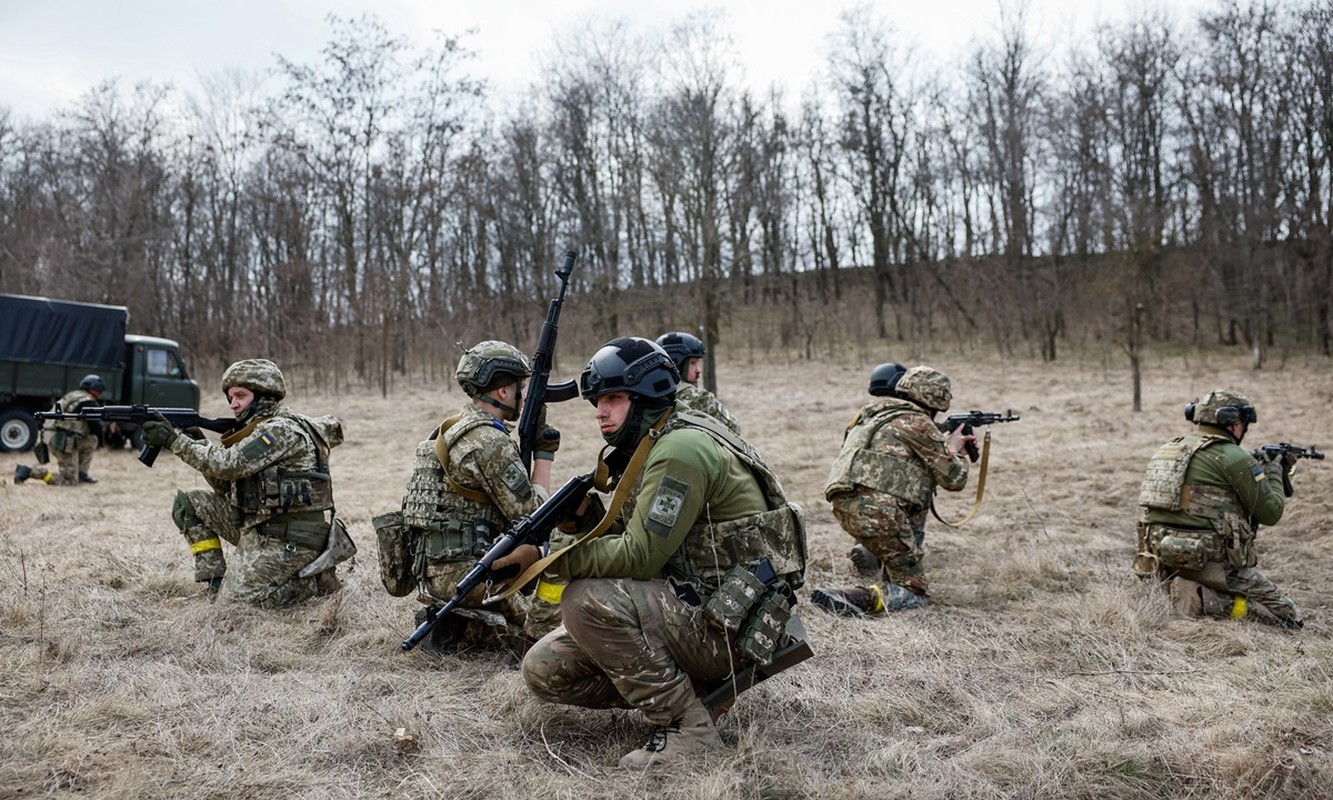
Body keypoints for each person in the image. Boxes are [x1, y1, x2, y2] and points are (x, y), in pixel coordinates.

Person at [515, 336, 807, 769]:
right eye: (597, 400)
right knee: (542, 668)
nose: (600, 411)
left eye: (613, 398)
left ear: (648, 393)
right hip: (695, 605)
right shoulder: (652, 441)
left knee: (585, 599)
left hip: (726, 629)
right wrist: (579, 520)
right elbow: (633, 529)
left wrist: (549, 562)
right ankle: (686, 692)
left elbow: (640, 555)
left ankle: (688, 728)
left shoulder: (680, 450)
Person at [378, 340, 561, 655]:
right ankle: (475, 627)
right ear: (503, 391)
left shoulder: (449, 430)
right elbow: (533, 515)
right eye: (522, 386)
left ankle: (464, 625)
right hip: (471, 574)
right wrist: (544, 454)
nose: (525, 394)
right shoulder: (489, 442)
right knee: (553, 623)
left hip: (436, 572)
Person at [137, 358, 352, 608]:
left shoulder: (281, 430)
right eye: (230, 398)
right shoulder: (256, 428)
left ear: (264, 395)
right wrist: (198, 444)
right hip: (260, 527)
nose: (234, 404)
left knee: (235, 609)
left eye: (240, 395)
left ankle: (309, 582)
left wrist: (175, 441)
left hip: (292, 539)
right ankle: (215, 584)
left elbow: (230, 464)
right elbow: (228, 485)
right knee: (190, 503)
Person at [811, 364, 974, 616]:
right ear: (937, 400)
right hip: (882, 515)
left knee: (905, 504)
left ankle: (873, 550)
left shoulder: (869, 415)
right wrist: (953, 450)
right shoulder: (918, 422)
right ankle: (857, 597)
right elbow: (955, 480)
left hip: (844, 507)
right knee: (912, 594)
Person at [1132, 389, 1301, 628]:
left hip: (1157, 561)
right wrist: (1274, 471)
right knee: (1284, 615)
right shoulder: (1233, 456)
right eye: (1244, 423)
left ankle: (1176, 589)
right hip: (1212, 565)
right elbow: (1271, 512)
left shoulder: (1166, 450)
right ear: (1234, 424)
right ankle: (1204, 602)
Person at [14, 374, 105, 486]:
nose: (99, 394)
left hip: (56, 436)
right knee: (69, 482)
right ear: (94, 389)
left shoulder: (74, 396)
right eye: (99, 390)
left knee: (91, 439)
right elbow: (96, 427)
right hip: (62, 441)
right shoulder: (88, 402)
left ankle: (81, 474)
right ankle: (29, 472)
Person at [655, 331, 740, 433]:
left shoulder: (649, 396)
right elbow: (734, 427)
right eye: (692, 363)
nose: (698, 370)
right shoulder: (699, 398)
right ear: (677, 364)